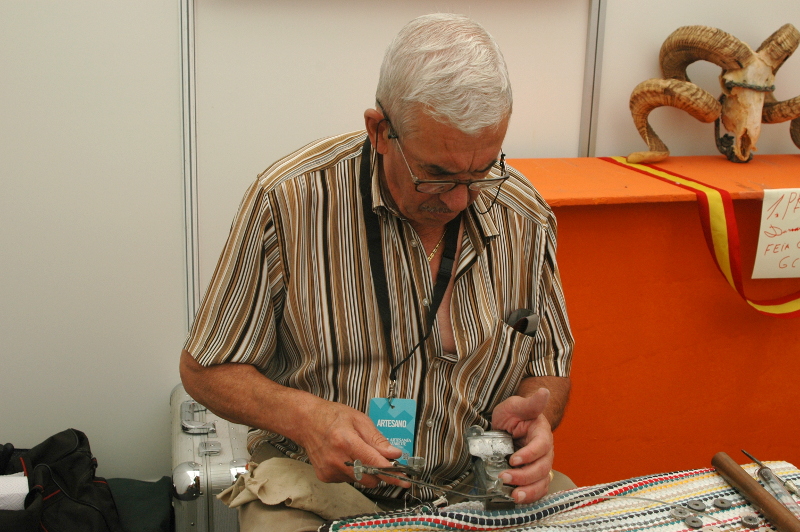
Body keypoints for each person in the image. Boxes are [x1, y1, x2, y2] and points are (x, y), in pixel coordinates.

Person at [180, 12, 574, 532]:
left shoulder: (525, 216)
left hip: (474, 482)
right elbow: (205, 370)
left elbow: (549, 368)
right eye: (436, 174)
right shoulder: (290, 201)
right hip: (317, 484)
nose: (460, 200)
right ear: (380, 131)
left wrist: (535, 422)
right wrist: (307, 418)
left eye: (481, 172)